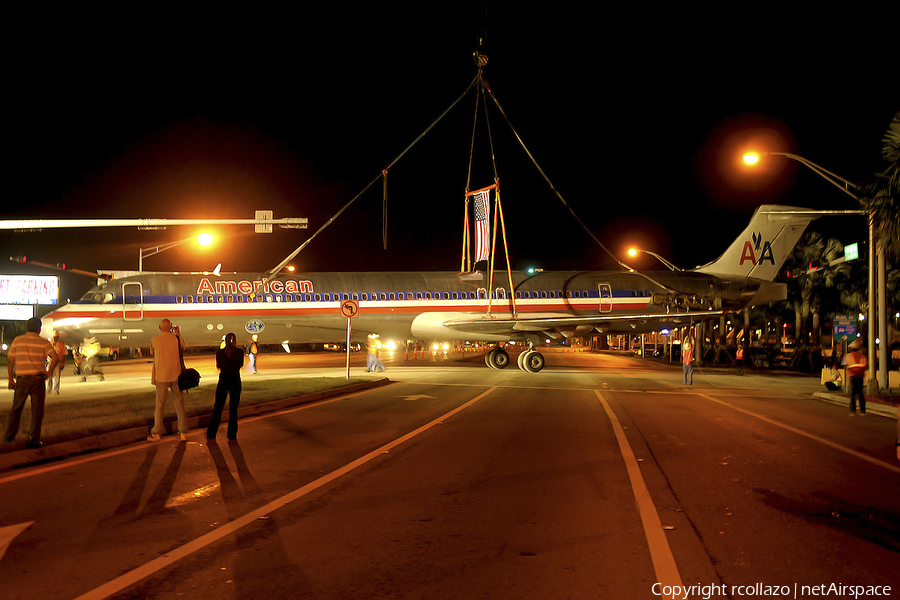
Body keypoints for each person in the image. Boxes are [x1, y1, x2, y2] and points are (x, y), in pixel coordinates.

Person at [4, 317, 59, 448]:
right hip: (37, 379)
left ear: (26, 328)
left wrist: (11, 378)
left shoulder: (17, 341)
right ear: (40, 329)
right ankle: (34, 438)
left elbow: (11, 361)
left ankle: (9, 435)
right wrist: (49, 372)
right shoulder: (43, 342)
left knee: (16, 408)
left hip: (21, 379)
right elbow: (55, 357)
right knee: (37, 410)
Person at [148, 319, 188, 441]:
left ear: (160, 327)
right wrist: (178, 333)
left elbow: (151, 352)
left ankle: (157, 432)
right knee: (179, 404)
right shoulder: (176, 339)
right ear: (171, 327)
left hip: (161, 376)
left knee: (160, 405)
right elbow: (184, 347)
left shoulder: (155, 339)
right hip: (176, 375)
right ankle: (182, 432)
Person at [207, 333, 244, 441]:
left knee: (218, 407)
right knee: (233, 409)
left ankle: (211, 433)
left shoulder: (220, 353)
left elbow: (218, 365)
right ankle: (232, 434)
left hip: (223, 380)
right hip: (235, 380)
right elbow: (240, 364)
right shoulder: (239, 352)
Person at [843, 339, 867, 416]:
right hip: (860, 376)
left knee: (853, 394)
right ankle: (862, 410)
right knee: (860, 393)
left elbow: (845, 365)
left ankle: (852, 410)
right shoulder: (862, 356)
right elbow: (865, 365)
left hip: (852, 376)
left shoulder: (847, 356)